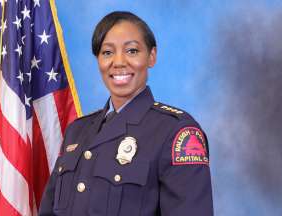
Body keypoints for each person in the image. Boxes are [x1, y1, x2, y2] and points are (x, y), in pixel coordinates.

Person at [39, 11, 213, 216]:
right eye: (107, 53)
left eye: (131, 51)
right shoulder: (77, 131)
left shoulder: (177, 133)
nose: (119, 62)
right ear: (98, 60)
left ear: (151, 56)